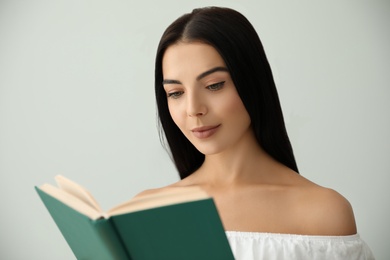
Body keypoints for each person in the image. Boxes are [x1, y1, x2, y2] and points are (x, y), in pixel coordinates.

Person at [140, 6, 374, 259]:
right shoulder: (146, 213)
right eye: (175, 93)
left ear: (252, 81)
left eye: (214, 85)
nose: (193, 109)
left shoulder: (323, 212)